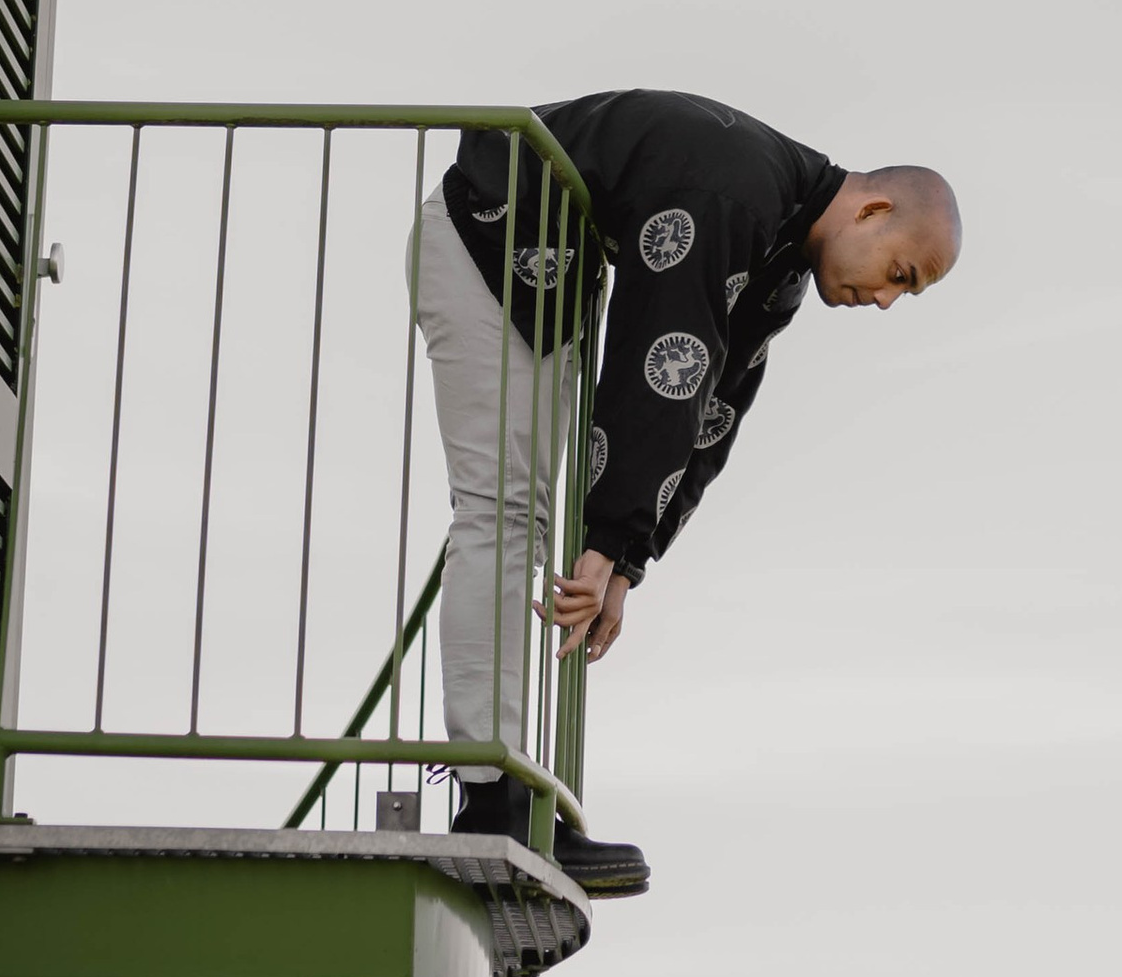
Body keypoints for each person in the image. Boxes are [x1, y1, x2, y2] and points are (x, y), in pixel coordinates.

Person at [408, 88, 961, 898]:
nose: (883, 298)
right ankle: (492, 800)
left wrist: (629, 556)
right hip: (486, 237)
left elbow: (712, 408)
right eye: (899, 274)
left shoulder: (780, 253)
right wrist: (607, 536)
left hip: (551, 267)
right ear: (872, 209)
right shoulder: (735, 194)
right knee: (502, 510)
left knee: (521, 513)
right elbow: (660, 350)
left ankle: (510, 798)